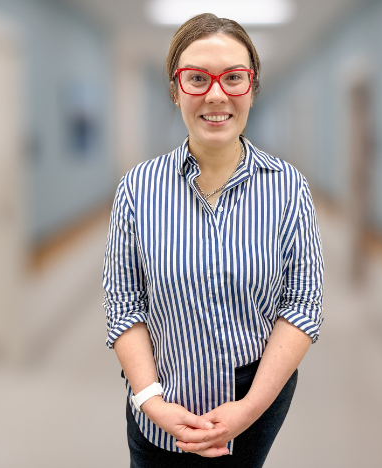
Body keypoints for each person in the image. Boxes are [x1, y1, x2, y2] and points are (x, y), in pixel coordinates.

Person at [102, 13, 323, 467]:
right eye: (197, 78)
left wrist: (249, 409)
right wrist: (151, 401)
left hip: (256, 401)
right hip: (158, 402)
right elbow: (123, 304)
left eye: (234, 78)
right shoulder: (137, 190)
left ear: (252, 88)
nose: (216, 94)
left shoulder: (288, 189)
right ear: (175, 90)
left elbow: (302, 305)